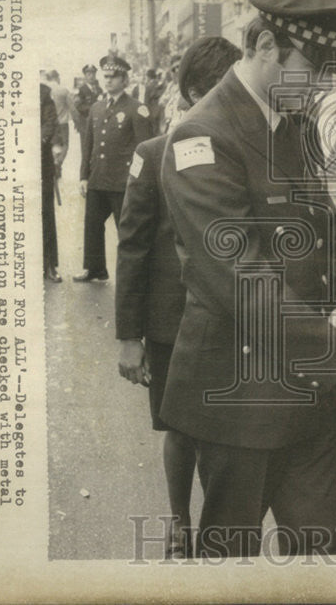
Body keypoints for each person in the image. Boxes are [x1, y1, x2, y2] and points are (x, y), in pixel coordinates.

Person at [158, 0, 336, 558]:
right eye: (311, 71)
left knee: (322, 558)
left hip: (307, 397)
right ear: (266, 44)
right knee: (233, 563)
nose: (320, 88)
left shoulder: (289, 122)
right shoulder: (201, 135)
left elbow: (326, 235)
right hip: (239, 402)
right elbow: (244, 282)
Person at [115, 36, 243, 560]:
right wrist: (128, 336)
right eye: (225, 84)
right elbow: (133, 247)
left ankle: (220, 525)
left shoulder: (247, 148)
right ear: (197, 90)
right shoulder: (153, 153)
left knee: (228, 431)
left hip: (234, 319)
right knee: (178, 427)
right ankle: (178, 521)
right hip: (172, 323)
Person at [74, 55, 154, 282]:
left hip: (122, 182)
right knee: (92, 225)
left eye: (113, 77)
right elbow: (87, 145)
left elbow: (144, 150)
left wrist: (139, 181)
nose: (107, 81)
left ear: (124, 79)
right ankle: (94, 268)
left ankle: (133, 274)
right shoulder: (96, 108)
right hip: (98, 179)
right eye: (105, 76)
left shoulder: (137, 109)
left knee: (127, 231)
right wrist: (83, 176)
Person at [40, 82, 65, 282]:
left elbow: (50, 122)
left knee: (45, 214)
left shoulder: (42, 92)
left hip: (39, 161)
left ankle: (48, 265)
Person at [73, 64, 102, 156]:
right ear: (85, 76)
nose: (91, 76)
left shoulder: (99, 89)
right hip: (85, 123)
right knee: (86, 148)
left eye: (93, 74)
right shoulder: (81, 90)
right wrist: (93, 108)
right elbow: (78, 106)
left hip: (98, 123)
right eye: (89, 74)